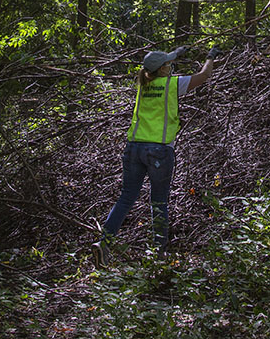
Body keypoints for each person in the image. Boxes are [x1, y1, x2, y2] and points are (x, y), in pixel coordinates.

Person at [91, 45, 221, 268]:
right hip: (158, 151)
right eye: (168, 64)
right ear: (162, 70)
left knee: (126, 197)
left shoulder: (143, 83)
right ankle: (159, 256)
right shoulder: (172, 84)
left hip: (134, 148)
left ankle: (104, 243)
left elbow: (156, 64)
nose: (171, 66)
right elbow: (204, 75)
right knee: (159, 202)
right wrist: (210, 56)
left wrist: (177, 52)